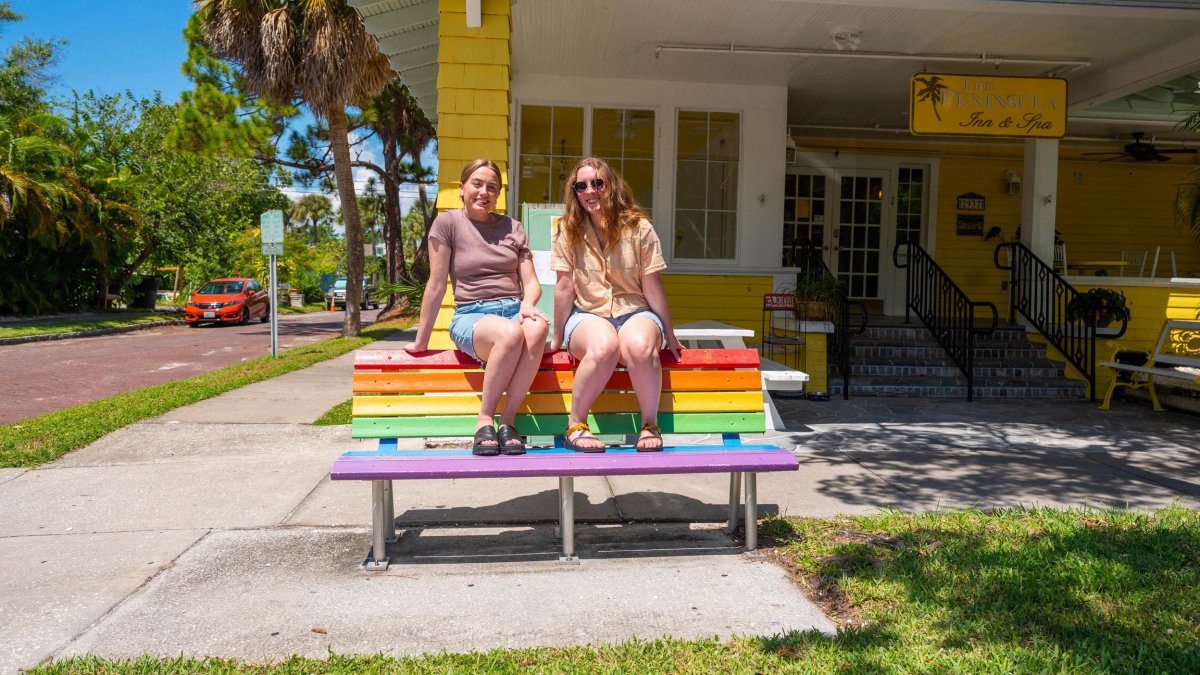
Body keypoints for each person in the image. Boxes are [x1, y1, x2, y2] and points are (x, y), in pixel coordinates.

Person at [405, 159, 548, 456]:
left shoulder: (513, 228)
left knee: (537, 327)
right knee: (509, 334)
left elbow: (532, 283)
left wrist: (527, 304)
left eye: (492, 187)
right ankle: (484, 420)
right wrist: (421, 340)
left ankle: (508, 422)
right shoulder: (448, 223)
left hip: (512, 308)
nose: (484, 192)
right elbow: (435, 285)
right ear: (461, 188)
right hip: (472, 315)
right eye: (477, 184)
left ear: (498, 195)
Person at [549, 158, 683, 453]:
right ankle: (576, 424)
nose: (590, 191)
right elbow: (564, 287)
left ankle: (649, 423)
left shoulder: (640, 228)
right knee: (604, 346)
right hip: (588, 313)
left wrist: (669, 334)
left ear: (612, 186)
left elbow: (652, 286)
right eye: (581, 185)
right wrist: (558, 337)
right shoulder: (566, 230)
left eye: (598, 183)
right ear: (575, 192)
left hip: (635, 310)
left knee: (638, 346)